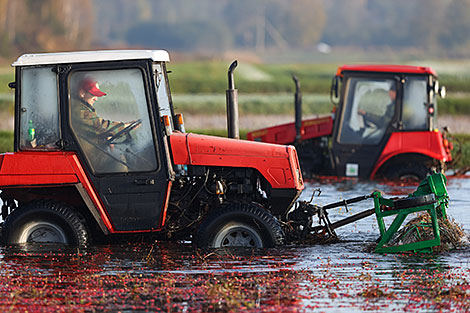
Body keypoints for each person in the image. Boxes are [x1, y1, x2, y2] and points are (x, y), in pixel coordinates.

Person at [71, 76, 139, 172]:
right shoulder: (78, 110)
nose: (96, 99)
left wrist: (104, 138)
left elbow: (94, 130)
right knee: (119, 163)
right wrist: (126, 126)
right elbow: (101, 126)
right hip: (88, 156)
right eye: (93, 94)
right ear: (82, 93)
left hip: (90, 152)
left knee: (119, 154)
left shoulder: (81, 107)